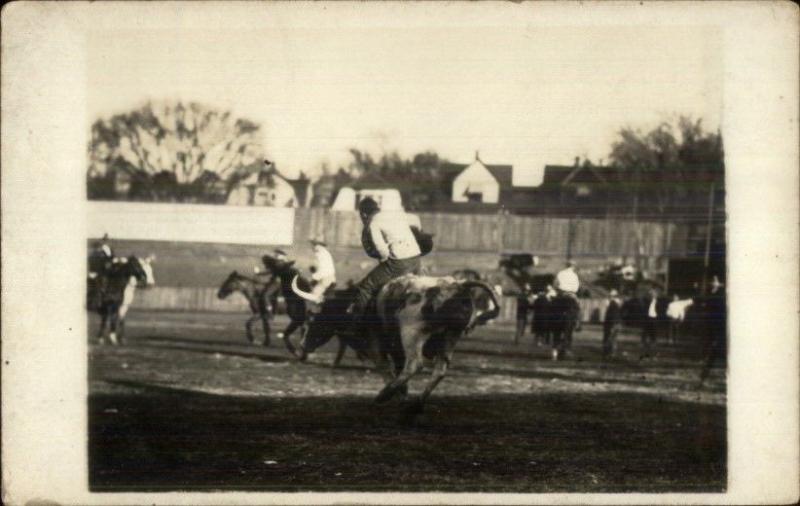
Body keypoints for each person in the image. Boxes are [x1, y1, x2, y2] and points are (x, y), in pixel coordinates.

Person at [348, 197, 422, 318]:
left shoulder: (373, 222)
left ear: (364, 214)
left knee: (366, 286)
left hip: (400, 261)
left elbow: (380, 247)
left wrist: (384, 260)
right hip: (416, 257)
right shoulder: (392, 215)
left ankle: (357, 323)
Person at [640, 286, 667, 360]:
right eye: (651, 294)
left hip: (654, 320)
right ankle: (645, 354)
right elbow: (642, 309)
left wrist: (660, 320)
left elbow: (662, 311)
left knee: (654, 338)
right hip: (647, 319)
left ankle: (653, 354)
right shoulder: (646, 301)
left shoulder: (660, 302)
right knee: (644, 338)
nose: (652, 295)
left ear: (656, 295)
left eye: (653, 294)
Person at [307, 237, 336, 303]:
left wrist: (313, 278)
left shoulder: (321, 254)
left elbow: (323, 270)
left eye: (314, 244)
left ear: (319, 246)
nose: (312, 247)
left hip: (326, 279)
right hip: (327, 278)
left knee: (314, 295)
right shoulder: (324, 253)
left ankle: (316, 311)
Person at [554, 260, 581, 331]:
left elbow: (555, 284)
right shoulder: (575, 275)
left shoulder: (560, 273)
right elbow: (576, 288)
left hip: (561, 293)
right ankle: (577, 324)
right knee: (578, 308)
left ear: (566, 266)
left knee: (552, 307)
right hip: (571, 294)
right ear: (573, 266)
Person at [602, 289, 624, 358]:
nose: (610, 297)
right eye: (610, 296)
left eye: (611, 296)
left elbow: (613, 316)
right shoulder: (616, 304)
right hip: (615, 323)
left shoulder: (613, 304)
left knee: (609, 339)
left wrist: (612, 325)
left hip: (612, 324)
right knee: (612, 339)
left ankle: (609, 353)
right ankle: (610, 353)